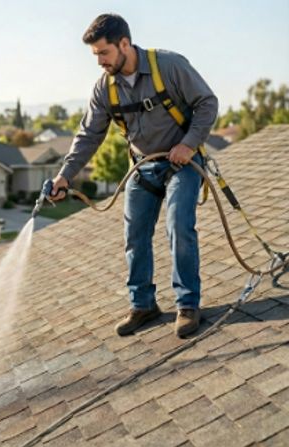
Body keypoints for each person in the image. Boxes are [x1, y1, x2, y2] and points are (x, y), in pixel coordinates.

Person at [48, 14, 218, 337]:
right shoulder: (104, 88)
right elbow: (88, 136)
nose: (99, 61)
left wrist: (188, 143)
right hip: (142, 167)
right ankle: (143, 306)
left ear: (124, 44)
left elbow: (207, 103)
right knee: (134, 236)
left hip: (182, 163)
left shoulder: (169, 66)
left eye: (104, 52)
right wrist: (64, 177)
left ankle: (187, 305)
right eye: (95, 55)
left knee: (178, 226)